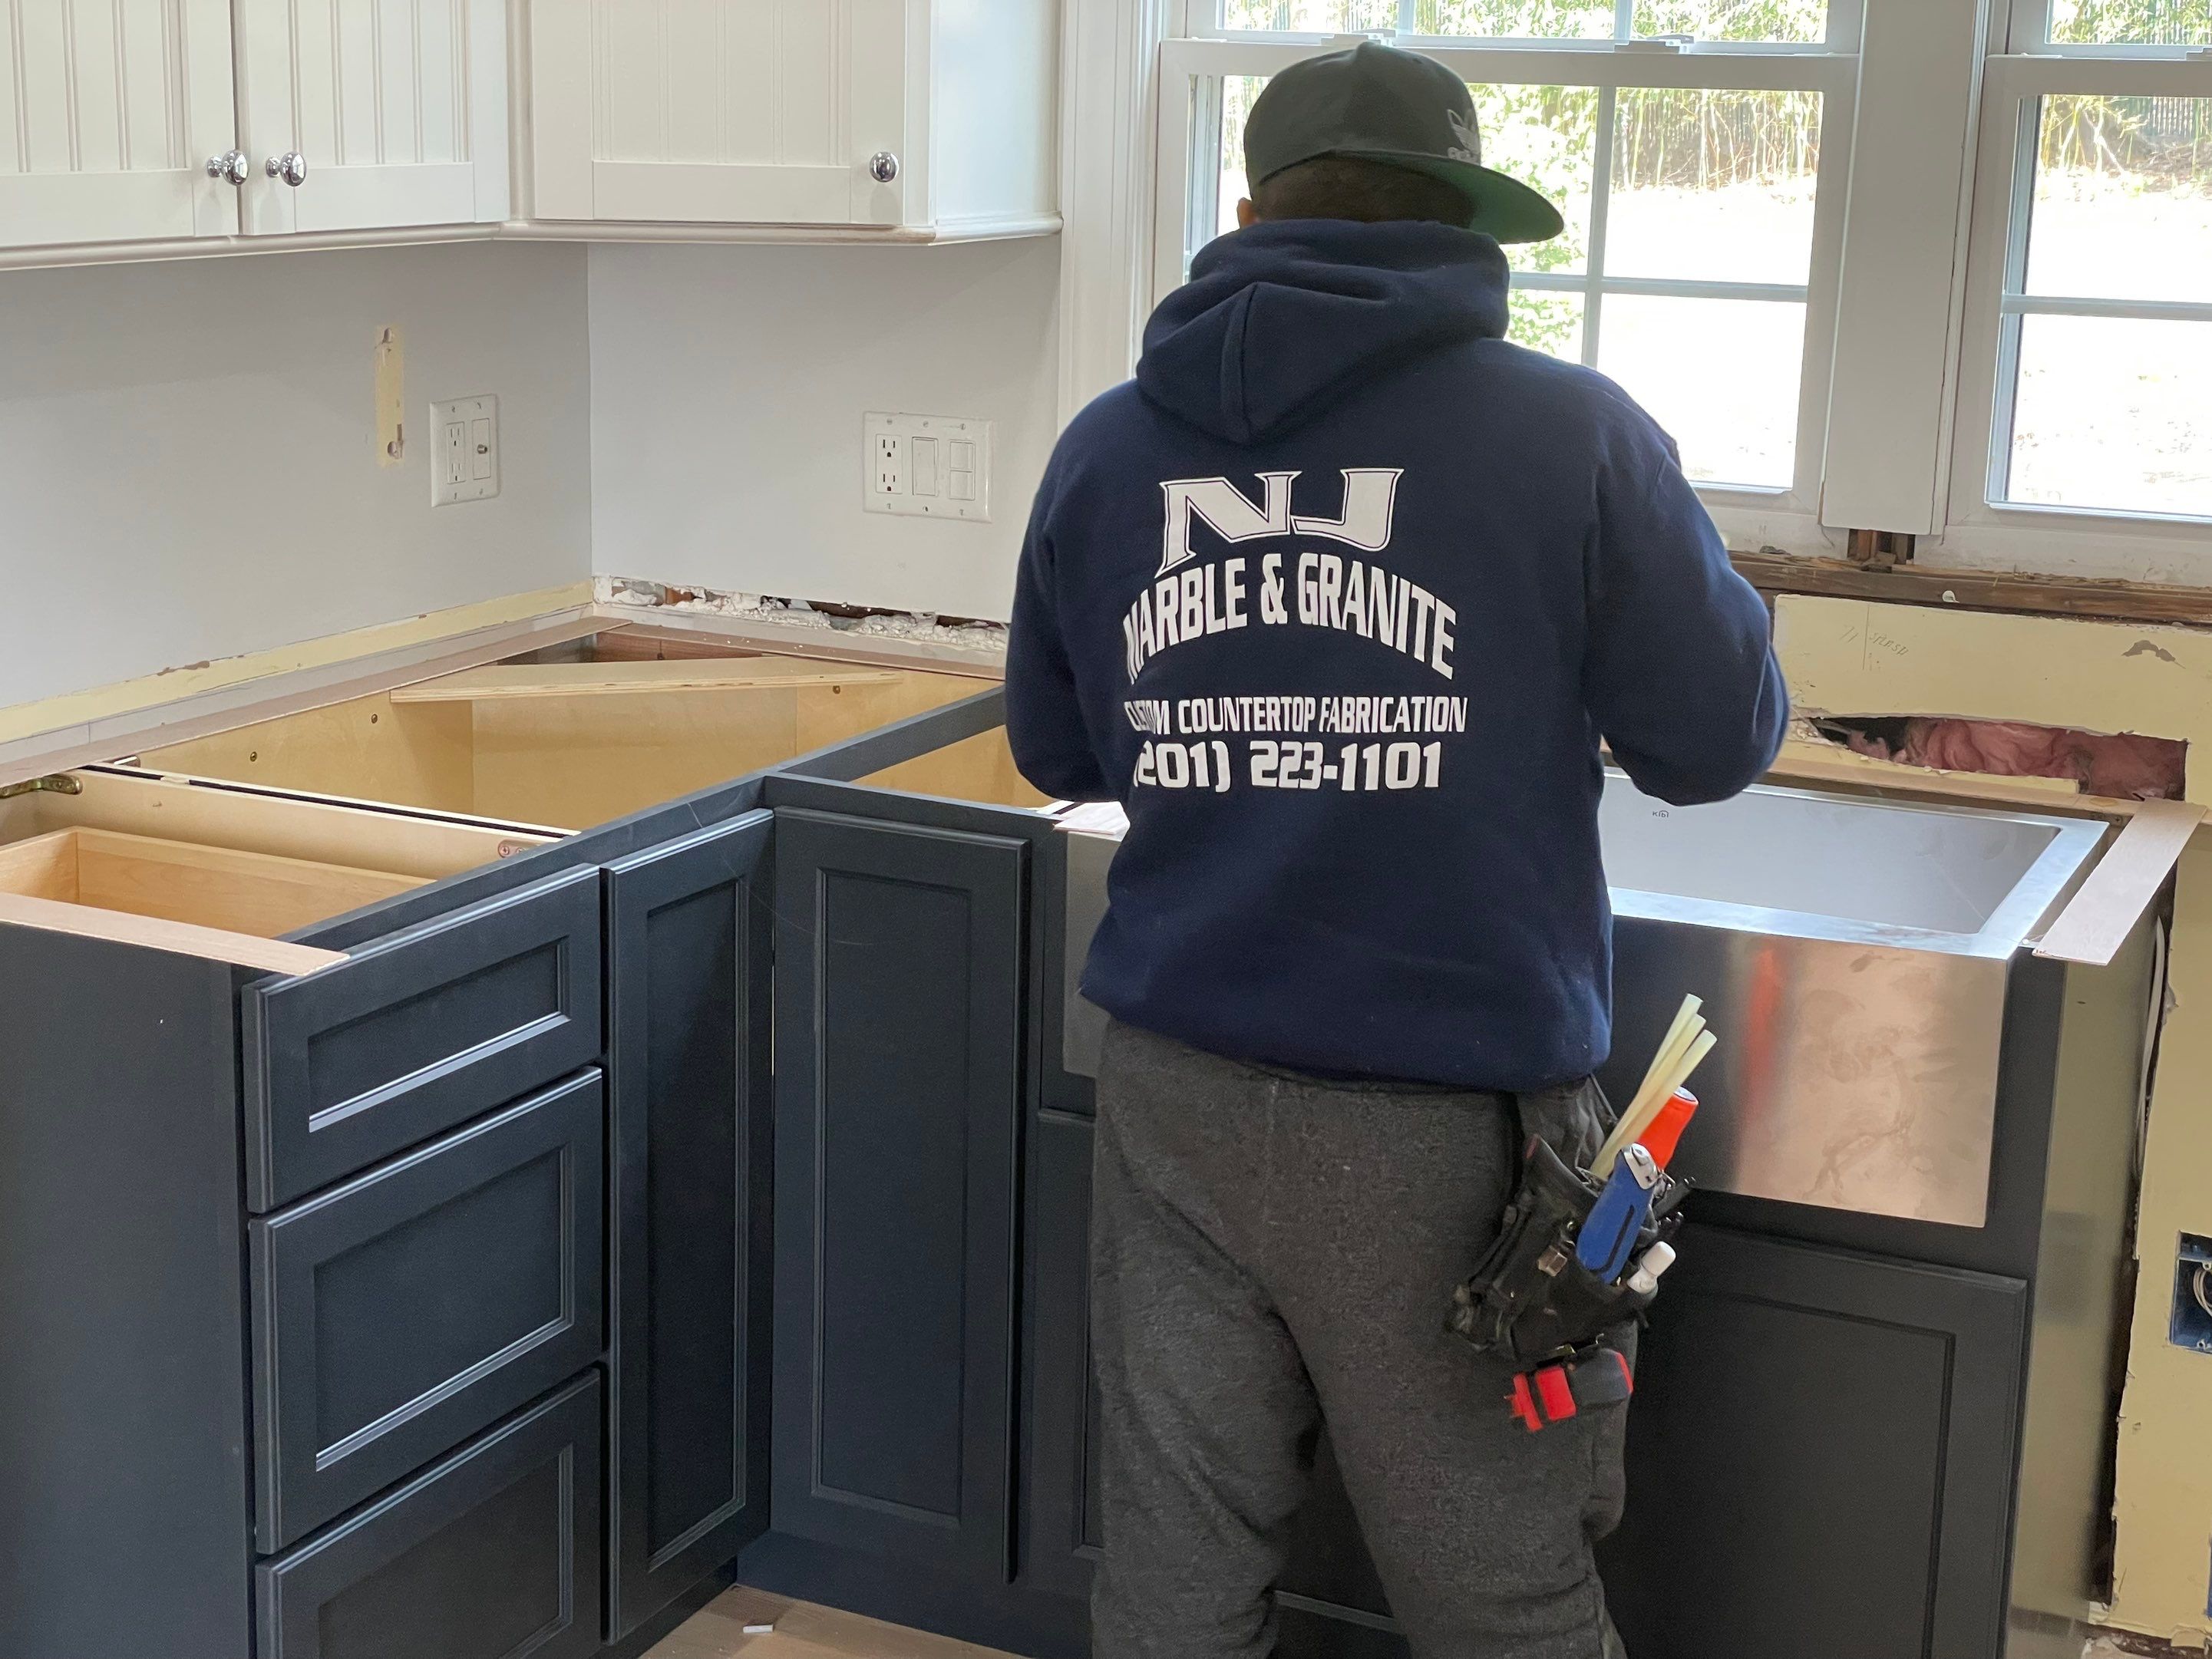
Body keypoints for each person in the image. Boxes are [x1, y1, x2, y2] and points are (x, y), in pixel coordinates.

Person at [1004, 40, 1787, 1659]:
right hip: (1444, 1127)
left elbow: (1060, 749)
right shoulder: (1570, 435)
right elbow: (1715, 742)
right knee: (1495, 1580)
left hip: (1174, 1086)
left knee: (1175, 1559)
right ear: (1463, 224)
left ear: (1245, 215)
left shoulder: (1104, 447)